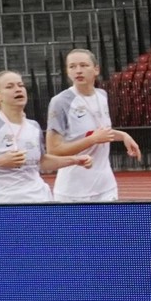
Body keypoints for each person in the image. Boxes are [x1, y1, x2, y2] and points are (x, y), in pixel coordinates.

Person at [0, 70, 90, 201]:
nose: (18, 89)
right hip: (6, 204)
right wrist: (0, 161)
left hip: (40, 200)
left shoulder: (34, 126)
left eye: (21, 85)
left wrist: (75, 160)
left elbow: (41, 161)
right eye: (10, 86)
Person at [45, 47, 142, 201]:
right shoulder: (61, 102)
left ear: (96, 69)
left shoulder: (102, 95)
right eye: (72, 67)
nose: (78, 71)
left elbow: (100, 132)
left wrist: (123, 135)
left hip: (105, 186)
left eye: (84, 65)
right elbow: (53, 150)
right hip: (73, 190)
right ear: (67, 72)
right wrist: (92, 140)